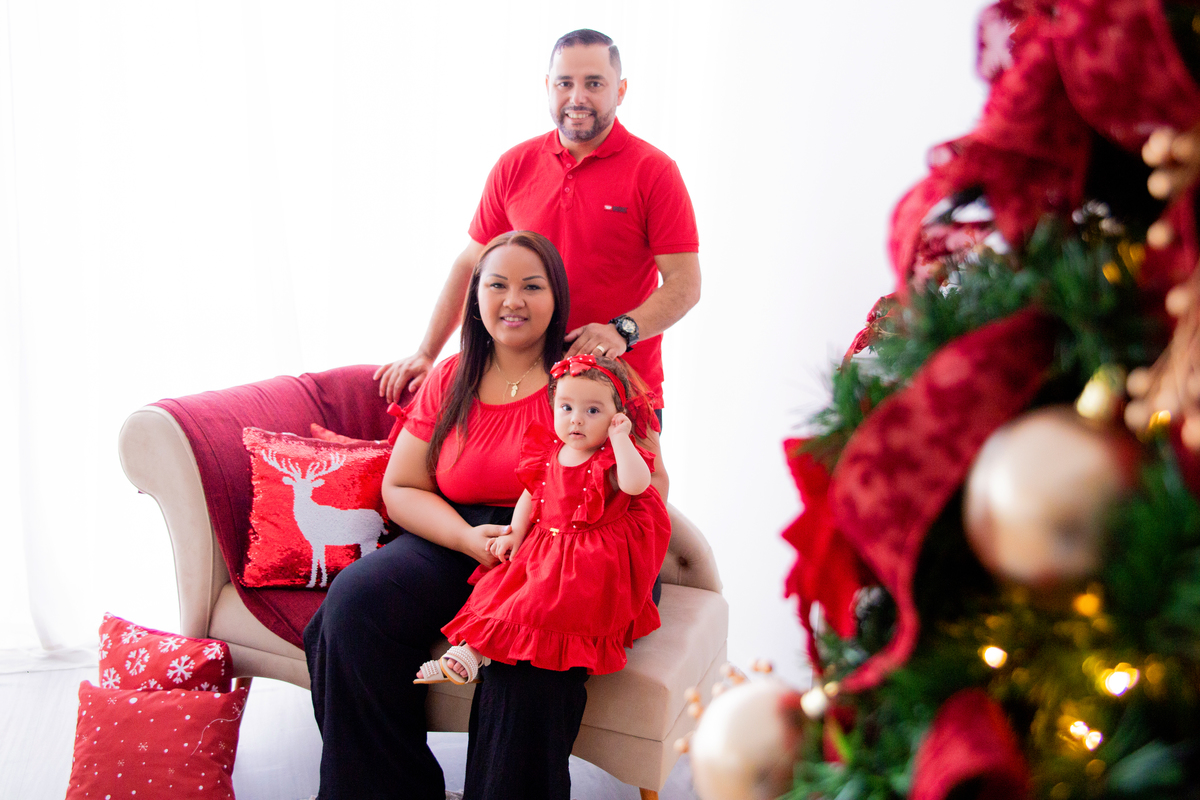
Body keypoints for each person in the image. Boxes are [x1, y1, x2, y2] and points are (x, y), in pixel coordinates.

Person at [303, 230, 666, 800]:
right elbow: (400, 485)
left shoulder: (594, 376)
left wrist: (561, 531)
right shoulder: (452, 376)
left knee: (526, 668)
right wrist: (467, 538)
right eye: (497, 285)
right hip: (467, 534)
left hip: (575, 547)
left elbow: (651, 489)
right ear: (475, 295)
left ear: (558, 297)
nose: (513, 300)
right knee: (350, 609)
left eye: (532, 286)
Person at [374, 28, 701, 416]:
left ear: (621, 90)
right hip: (523, 390)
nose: (577, 97)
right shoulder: (516, 164)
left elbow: (685, 283)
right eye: (565, 83)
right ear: (548, 87)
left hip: (618, 393)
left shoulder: (654, 171)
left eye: (594, 83)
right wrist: (426, 353)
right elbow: (471, 264)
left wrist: (620, 330)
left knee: (632, 481)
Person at [415, 354, 670, 688]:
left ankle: (476, 653)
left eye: (592, 411)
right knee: (498, 591)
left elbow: (635, 484)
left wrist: (622, 438)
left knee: (541, 604)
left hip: (590, 557)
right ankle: (471, 650)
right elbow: (532, 495)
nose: (576, 420)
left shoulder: (609, 456)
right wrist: (515, 534)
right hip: (546, 543)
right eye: (566, 408)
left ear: (615, 416)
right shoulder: (550, 450)